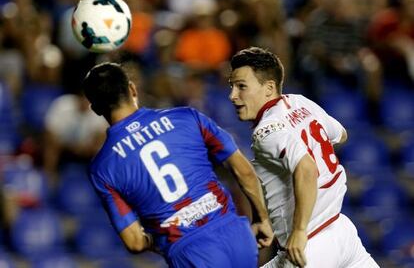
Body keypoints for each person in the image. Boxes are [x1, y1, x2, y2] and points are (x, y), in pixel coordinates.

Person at [81, 62, 273, 267]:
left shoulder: (102, 167)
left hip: (189, 251)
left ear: (95, 108)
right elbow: (243, 170)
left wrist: (160, 236)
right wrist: (262, 218)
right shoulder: (187, 117)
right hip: (235, 234)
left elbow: (135, 242)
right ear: (132, 88)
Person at [228, 47, 379, 268]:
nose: (233, 95)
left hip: (308, 245)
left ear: (269, 88)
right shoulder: (300, 102)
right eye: (231, 86)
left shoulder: (266, 131)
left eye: (241, 86)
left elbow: (306, 169)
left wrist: (299, 232)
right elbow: (341, 134)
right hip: (342, 231)